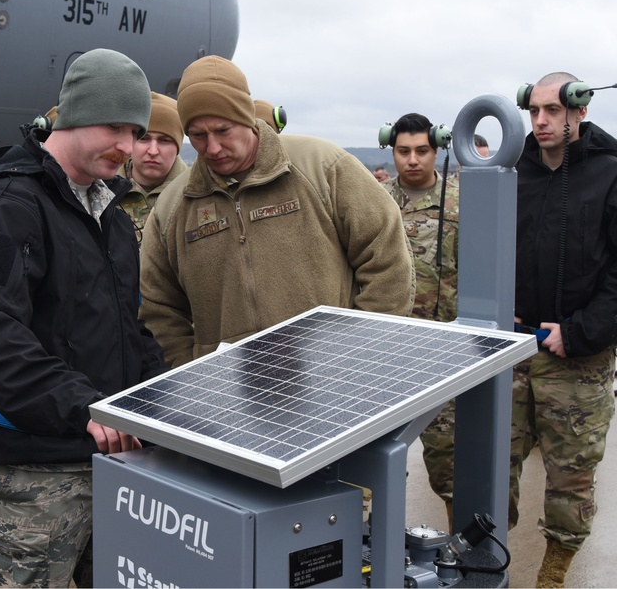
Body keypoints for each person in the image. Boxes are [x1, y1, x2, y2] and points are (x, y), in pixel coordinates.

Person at [0, 48, 168, 587]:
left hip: (115, 465)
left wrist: (164, 395)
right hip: (32, 476)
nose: (129, 147)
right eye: (114, 126)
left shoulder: (110, 215)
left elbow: (123, 325)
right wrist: (83, 407)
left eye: (136, 131)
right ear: (72, 114)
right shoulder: (5, 203)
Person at [139, 55, 414, 369]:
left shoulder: (322, 166)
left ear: (247, 117)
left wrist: (361, 351)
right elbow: (159, 308)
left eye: (223, 130)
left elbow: (387, 257)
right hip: (228, 398)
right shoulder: (173, 206)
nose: (212, 147)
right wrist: (192, 376)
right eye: (198, 136)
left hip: (333, 380)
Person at [512, 71, 617, 587]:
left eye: (552, 110)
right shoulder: (518, 171)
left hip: (578, 356)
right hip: (512, 349)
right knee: (484, 462)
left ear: (580, 109)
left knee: (570, 478)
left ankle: (553, 575)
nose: (541, 121)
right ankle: (478, 561)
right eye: (534, 111)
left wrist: (579, 333)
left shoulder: (610, 172)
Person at [380, 113, 459, 527]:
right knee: (374, 465)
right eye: (403, 151)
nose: (412, 160)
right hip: (384, 354)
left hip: (441, 355)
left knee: (450, 467)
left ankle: (464, 555)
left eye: (422, 151)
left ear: (437, 150)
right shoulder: (373, 200)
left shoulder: (459, 203)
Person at [118, 91, 189, 244]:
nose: (153, 151)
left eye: (164, 140)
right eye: (144, 139)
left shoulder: (195, 192)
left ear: (178, 147)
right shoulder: (103, 189)